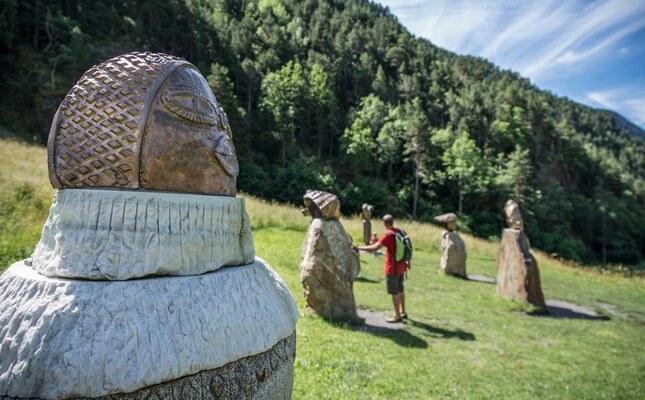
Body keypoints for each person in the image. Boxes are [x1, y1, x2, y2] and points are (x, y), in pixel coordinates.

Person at [354, 214, 409, 322]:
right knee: (400, 289)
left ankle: (397, 316)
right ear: (392, 222)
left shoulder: (388, 235)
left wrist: (358, 248)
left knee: (394, 292)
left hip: (392, 268)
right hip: (401, 266)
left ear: (384, 223)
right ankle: (403, 312)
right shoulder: (400, 232)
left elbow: (374, 248)